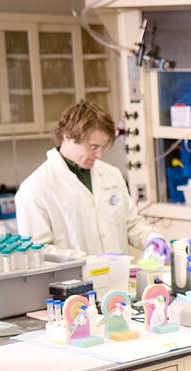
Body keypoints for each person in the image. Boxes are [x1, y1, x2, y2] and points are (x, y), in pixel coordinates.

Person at [16, 100, 168, 260]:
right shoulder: (35, 188)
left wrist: (151, 237)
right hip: (74, 282)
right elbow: (37, 251)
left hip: (118, 279)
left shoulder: (111, 175)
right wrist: (90, 261)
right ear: (67, 137)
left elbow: (131, 223)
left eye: (102, 147)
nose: (99, 155)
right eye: (93, 147)